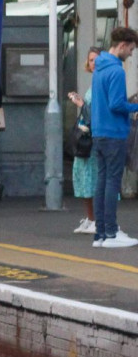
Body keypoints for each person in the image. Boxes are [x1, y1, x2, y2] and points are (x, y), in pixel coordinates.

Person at [90, 26, 138, 248]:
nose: (131, 54)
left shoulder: (99, 67)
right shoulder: (117, 71)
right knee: (112, 182)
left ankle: (100, 234)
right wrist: (135, 106)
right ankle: (111, 232)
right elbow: (117, 104)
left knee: (101, 181)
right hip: (114, 133)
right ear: (122, 45)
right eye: (130, 49)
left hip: (99, 132)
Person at [67, 47, 100, 233]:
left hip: (93, 136)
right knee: (83, 176)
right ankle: (90, 218)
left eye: (96, 59)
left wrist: (80, 103)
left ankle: (97, 219)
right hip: (85, 134)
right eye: (91, 60)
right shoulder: (93, 82)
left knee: (93, 177)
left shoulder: (101, 83)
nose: (93, 63)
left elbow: (95, 111)